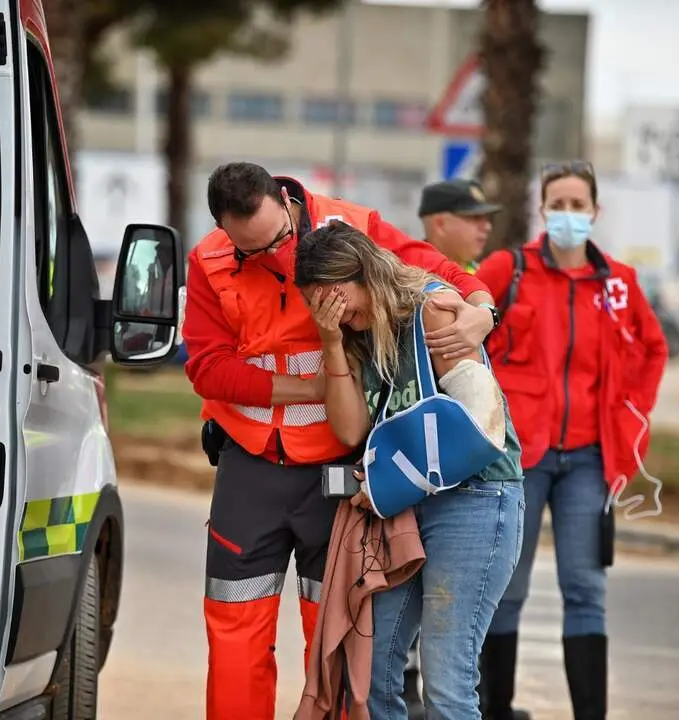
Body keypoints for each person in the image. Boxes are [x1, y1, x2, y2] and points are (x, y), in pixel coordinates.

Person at [182, 161, 504, 720]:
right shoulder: (209, 260)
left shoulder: (351, 227)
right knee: (234, 628)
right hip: (251, 464)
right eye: (251, 251)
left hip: (338, 467)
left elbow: (435, 269)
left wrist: (481, 308)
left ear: (286, 203)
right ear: (224, 232)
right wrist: (315, 388)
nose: (273, 258)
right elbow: (207, 368)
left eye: (278, 240)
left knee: (336, 631)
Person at [293, 221, 524, 719]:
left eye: (337, 298)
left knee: (446, 681)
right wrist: (331, 343)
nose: (335, 313)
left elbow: (482, 429)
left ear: (363, 272)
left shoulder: (434, 312)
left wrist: (389, 484)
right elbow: (351, 431)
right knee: (372, 666)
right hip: (407, 510)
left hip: (476, 500)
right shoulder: (353, 337)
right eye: (318, 305)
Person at [476, 160, 669, 720]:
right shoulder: (508, 270)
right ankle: (496, 711)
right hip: (517, 458)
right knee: (506, 587)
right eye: (557, 204)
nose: (567, 214)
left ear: (595, 211)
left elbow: (653, 349)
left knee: (586, 589)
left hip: (589, 458)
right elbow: (463, 328)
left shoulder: (618, 284)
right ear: (542, 209)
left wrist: (632, 411)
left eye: (577, 205)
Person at [402, 177, 502, 718]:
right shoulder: (423, 286)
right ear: (439, 222)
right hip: (426, 467)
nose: (485, 226)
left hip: (473, 465)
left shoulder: (477, 287)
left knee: (450, 649)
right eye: (473, 216)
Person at [419, 179, 501, 273]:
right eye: (475, 217)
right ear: (440, 224)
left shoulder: (483, 275)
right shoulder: (410, 275)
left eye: (486, 218)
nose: (487, 227)